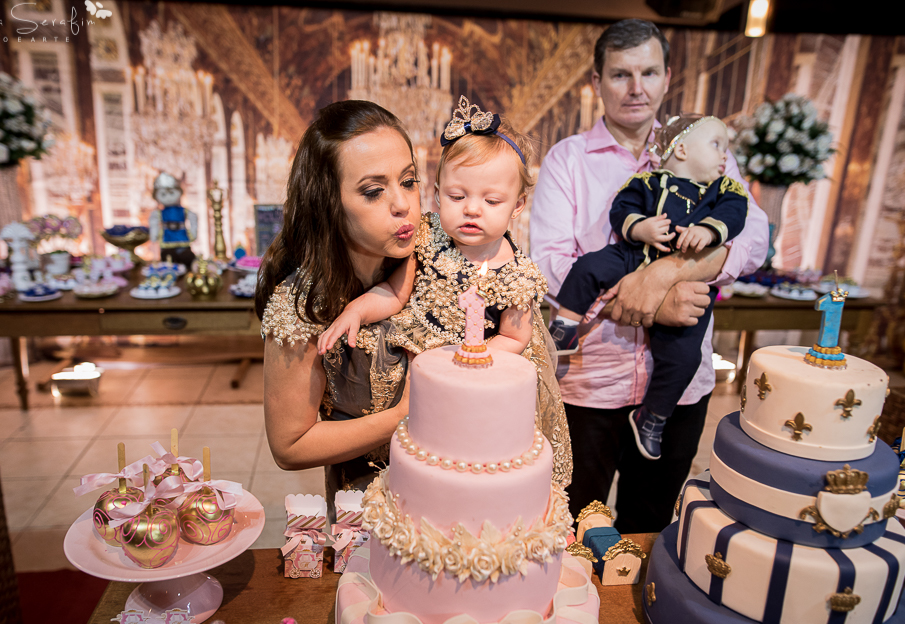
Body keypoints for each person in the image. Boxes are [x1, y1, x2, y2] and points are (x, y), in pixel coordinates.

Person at [530, 19, 768, 532]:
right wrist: (647, 300)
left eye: (648, 72)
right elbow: (550, 264)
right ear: (596, 82)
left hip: (678, 391)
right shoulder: (567, 160)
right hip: (590, 385)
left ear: (666, 77)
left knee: (650, 527)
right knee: (569, 526)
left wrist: (660, 277)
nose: (636, 88)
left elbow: (752, 240)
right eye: (620, 74)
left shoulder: (710, 155)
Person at [317, 96, 572, 488]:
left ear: (518, 205)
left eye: (491, 201)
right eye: (458, 197)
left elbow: (516, 337)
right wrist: (357, 310)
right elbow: (394, 292)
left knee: (456, 473)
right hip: (406, 369)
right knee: (402, 463)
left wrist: (468, 357)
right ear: (437, 195)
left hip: (468, 380)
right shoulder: (427, 237)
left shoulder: (517, 274)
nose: (472, 210)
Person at [550, 114, 749, 460]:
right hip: (631, 255)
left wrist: (710, 232)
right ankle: (565, 328)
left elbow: (739, 218)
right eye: (717, 145)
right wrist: (640, 228)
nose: (724, 156)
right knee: (588, 267)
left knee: (686, 355)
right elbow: (621, 209)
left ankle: (653, 416)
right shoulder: (646, 181)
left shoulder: (724, 188)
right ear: (682, 149)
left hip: (686, 280)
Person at [256, 100, 420, 515]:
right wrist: (407, 415)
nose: (402, 204)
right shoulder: (301, 307)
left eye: (409, 181)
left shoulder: (434, 256)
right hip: (368, 506)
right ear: (329, 202)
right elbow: (289, 446)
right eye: (373, 191)